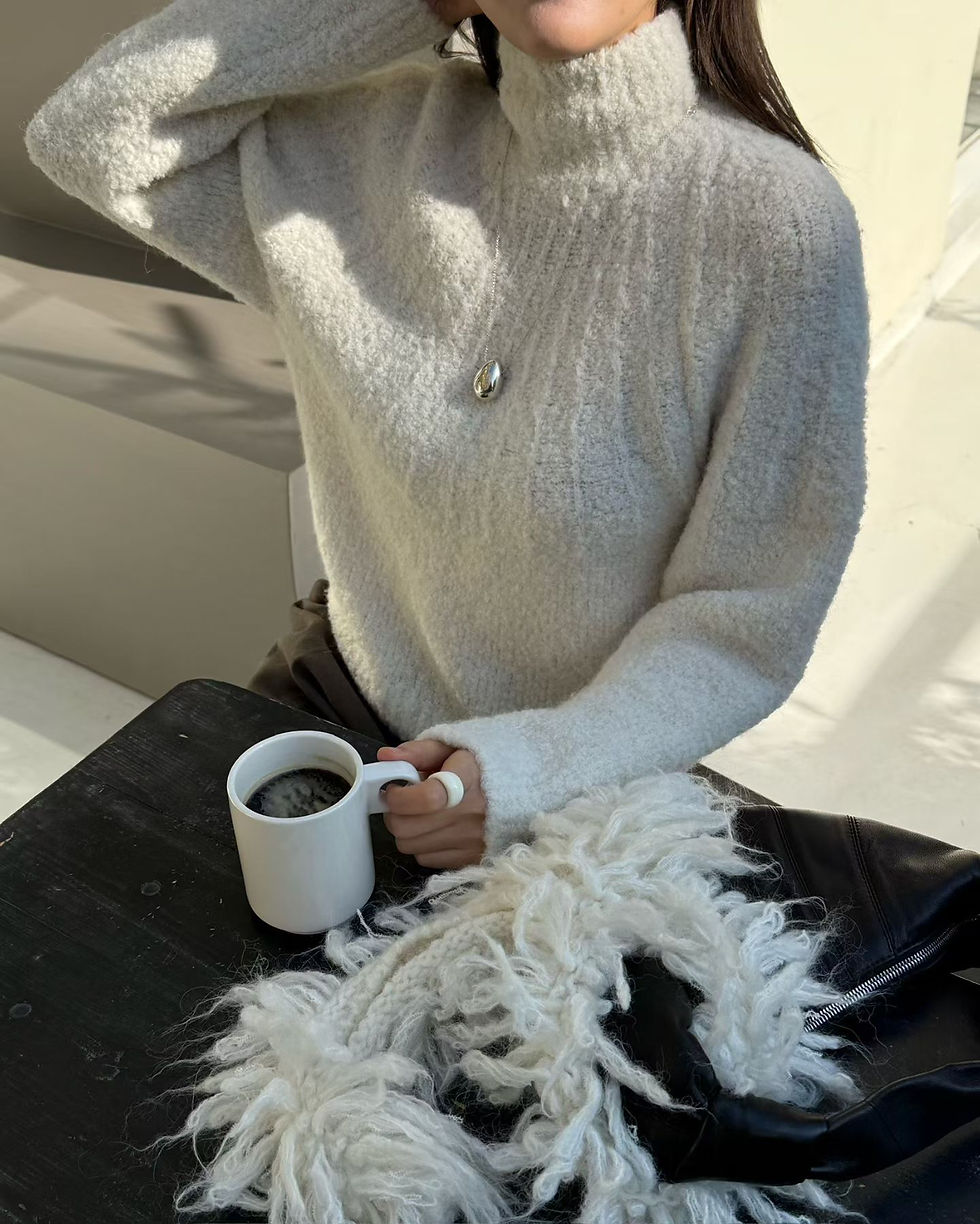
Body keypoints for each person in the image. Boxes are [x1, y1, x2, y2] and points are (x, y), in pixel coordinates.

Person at [24, 0, 871, 873]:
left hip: (589, 782)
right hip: (334, 702)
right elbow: (95, 132)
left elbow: (746, 616)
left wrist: (540, 769)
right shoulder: (367, 146)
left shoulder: (775, 229)